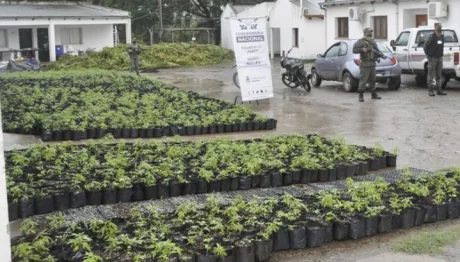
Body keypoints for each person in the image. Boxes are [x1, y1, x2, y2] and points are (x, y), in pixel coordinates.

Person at [353, 28, 386, 102]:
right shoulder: (360, 41)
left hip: (372, 63)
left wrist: (382, 55)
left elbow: (377, 51)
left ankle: (373, 94)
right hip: (365, 64)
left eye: (371, 32)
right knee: (363, 81)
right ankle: (361, 95)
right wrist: (362, 50)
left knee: (373, 80)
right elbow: (354, 50)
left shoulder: (372, 41)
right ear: (365, 33)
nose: (370, 34)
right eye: (369, 32)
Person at [424, 23, 447, 96]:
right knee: (431, 75)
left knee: (439, 75)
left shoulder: (441, 37)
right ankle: (430, 91)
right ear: (435, 28)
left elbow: (442, 46)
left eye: (440, 27)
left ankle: (439, 90)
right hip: (432, 58)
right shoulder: (431, 37)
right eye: (438, 27)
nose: (440, 29)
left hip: (439, 58)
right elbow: (425, 46)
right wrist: (428, 56)